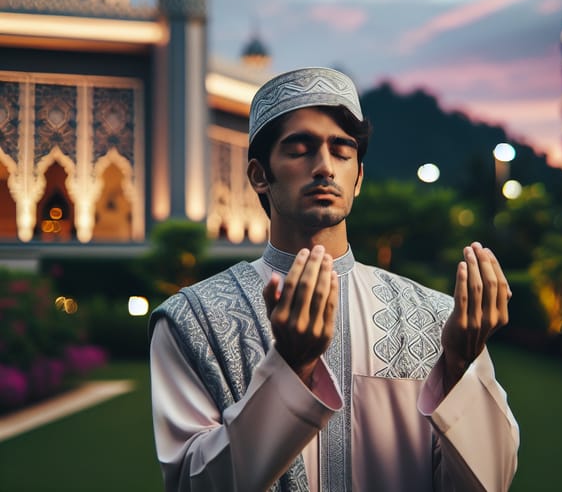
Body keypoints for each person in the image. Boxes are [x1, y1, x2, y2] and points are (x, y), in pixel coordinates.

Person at [149, 66, 519, 492]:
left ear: (358, 177)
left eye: (342, 151)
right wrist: (289, 369)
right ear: (259, 175)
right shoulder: (193, 321)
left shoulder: (435, 318)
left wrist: (459, 366)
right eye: (300, 150)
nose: (324, 167)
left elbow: (490, 483)